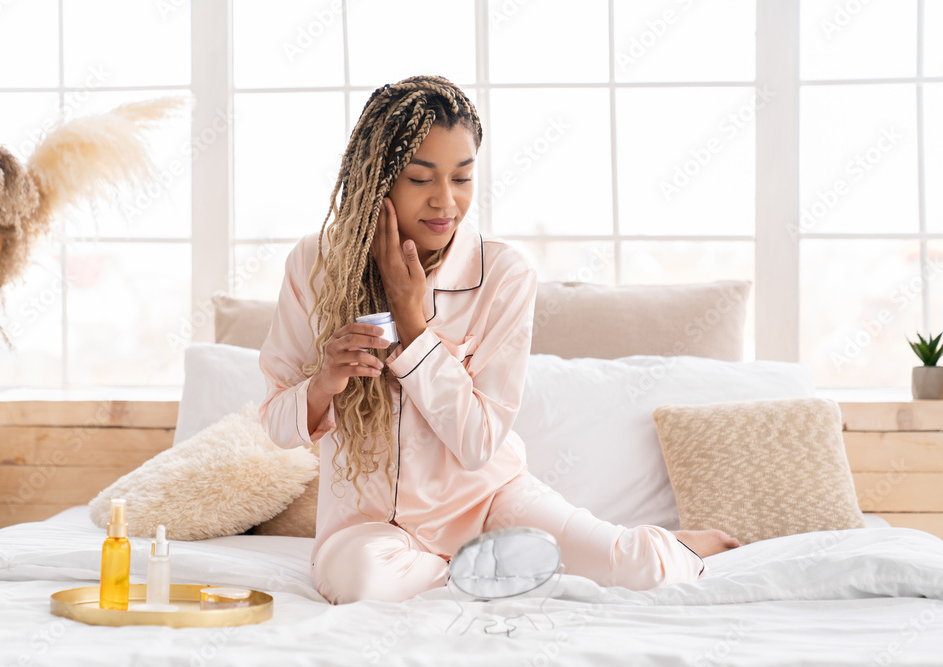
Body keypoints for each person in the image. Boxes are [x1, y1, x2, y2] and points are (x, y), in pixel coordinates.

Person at [258, 75, 739, 605]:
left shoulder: (503, 274)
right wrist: (324, 382)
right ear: (379, 181)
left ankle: (672, 545)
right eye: (421, 179)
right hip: (372, 525)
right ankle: (499, 574)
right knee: (363, 585)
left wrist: (414, 326)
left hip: (492, 504)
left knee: (641, 572)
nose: (446, 202)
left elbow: (477, 443)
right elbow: (276, 424)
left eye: (462, 178)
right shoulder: (314, 265)